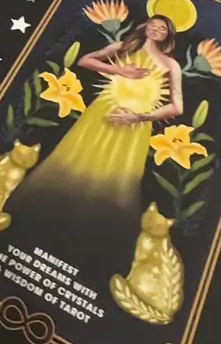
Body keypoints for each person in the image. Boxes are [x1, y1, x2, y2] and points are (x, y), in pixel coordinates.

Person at [27, 14, 183, 211]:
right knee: (80, 154)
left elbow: (177, 107)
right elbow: (85, 61)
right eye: (153, 25)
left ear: (168, 35)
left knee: (117, 172)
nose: (155, 30)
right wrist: (120, 71)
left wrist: (138, 117)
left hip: (135, 125)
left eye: (162, 28)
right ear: (145, 26)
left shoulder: (171, 65)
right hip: (101, 112)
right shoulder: (124, 47)